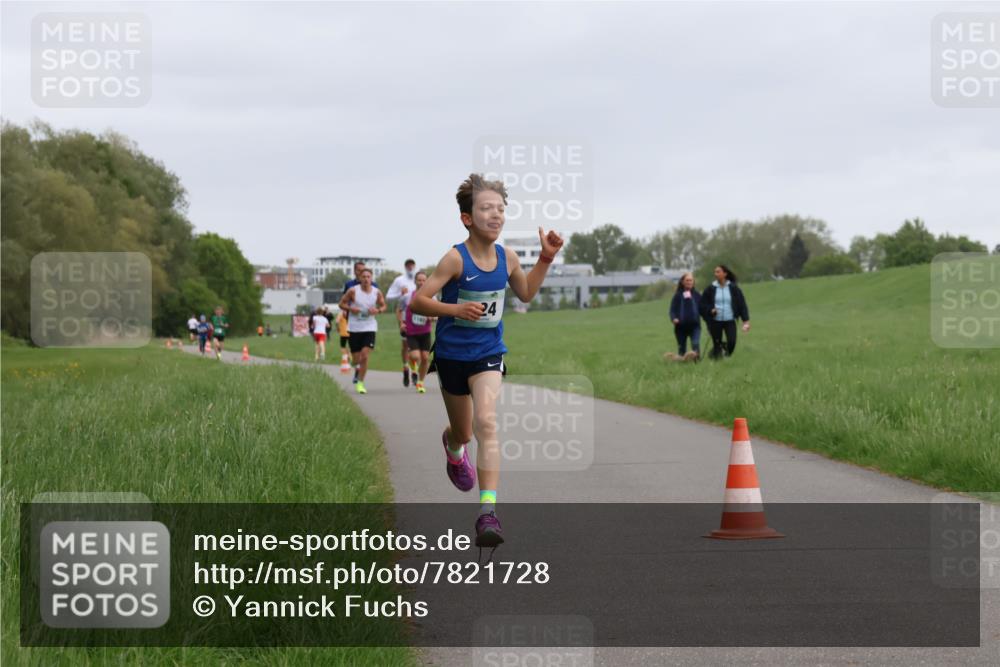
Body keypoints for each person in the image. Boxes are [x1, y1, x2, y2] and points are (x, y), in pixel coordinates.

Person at [410, 173, 564, 552]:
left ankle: (488, 513)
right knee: (463, 432)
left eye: (501, 209)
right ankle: (452, 446)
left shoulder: (506, 257)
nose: (496, 215)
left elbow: (525, 292)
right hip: (450, 358)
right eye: (486, 209)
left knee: (487, 423)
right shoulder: (454, 259)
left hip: (488, 354)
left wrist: (545, 258)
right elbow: (418, 302)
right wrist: (455, 308)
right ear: (467, 218)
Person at [339, 268, 386, 394]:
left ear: (371, 278)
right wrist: (350, 309)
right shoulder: (353, 291)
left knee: (364, 356)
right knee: (356, 359)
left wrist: (378, 310)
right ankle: (355, 365)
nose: (366, 279)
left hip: (369, 327)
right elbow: (341, 304)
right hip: (354, 328)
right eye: (363, 276)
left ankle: (360, 383)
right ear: (360, 278)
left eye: (368, 276)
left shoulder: (376, 292)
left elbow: (383, 305)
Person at [699, 264, 750, 360]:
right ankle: (717, 360)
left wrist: (745, 320)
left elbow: (741, 304)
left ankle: (723, 355)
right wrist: (711, 310)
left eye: (718, 272)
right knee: (717, 343)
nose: (715, 274)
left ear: (725, 274)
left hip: (729, 320)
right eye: (715, 272)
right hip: (715, 321)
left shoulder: (733, 288)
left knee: (732, 341)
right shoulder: (710, 289)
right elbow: (702, 305)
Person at [397, 271, 435, 393]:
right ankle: (412, 367)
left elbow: (438, 313)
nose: (422, 282)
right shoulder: (407, 296)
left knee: (425, 358)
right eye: (419, 280)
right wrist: (402, 323)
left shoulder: (432, 297)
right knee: (415, 356)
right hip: (411, 332)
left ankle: (420, 382)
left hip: (425, 332)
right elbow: (399, 309)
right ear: (415, 281)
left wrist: (432, 317)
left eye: (424, 280)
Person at [387, 259, 418, 387]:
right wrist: (400, 293)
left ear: (415, 266)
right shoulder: (399, 280)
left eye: (412, 265)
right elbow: (388, 297)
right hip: (404, 317)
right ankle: (406, 368)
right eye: (408, 265)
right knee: (406, 346)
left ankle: (414, 371)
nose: (410, 267)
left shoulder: (419, 279)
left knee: (416, 347)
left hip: (418, 318)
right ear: (405, 267)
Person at [667, 272, 701, 362]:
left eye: (691, 280)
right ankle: (683, 364)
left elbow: (704, 308)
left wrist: (711, 316)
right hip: (680, 327)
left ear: (693, 282)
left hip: (695, 326)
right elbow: (672, 310)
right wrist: (673, 318)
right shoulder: (677, 296)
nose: (689, 282)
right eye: (687, 280)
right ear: (682, 282)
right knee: (682, 350)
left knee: (695, 344)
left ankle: (697, 363)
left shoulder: (697, 295)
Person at [335, 308, 351, 376]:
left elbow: (337, 321)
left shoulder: (340, 313)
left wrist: (338, 328)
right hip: (351, 332)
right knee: (350, 346)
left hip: (343, 333)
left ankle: (345, 358)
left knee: (343, 346)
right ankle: (349, 358)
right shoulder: (351, 313)